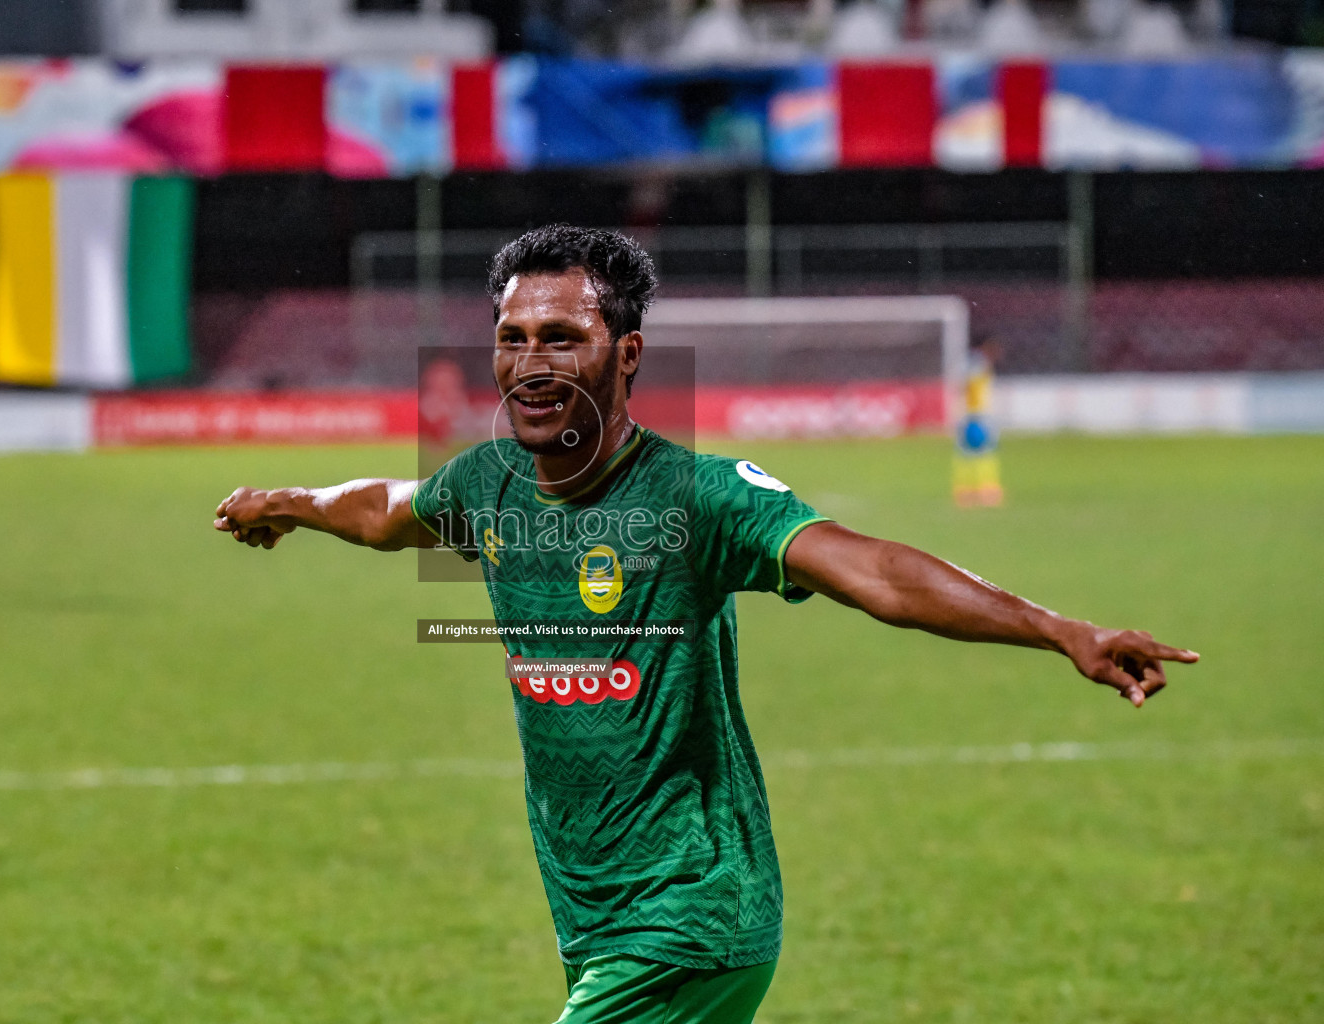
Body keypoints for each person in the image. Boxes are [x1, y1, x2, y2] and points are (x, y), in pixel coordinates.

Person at [213, 226, 1197, 1024]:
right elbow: (390, 511)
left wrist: (1056, 627)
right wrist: (292, 502)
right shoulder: (488, 482)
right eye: (513, 337)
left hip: (691, 913)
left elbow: (878, 573)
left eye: (563, 337)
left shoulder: (699, 497)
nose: (530, 362)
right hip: (594, 915)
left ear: (627, 354)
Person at [953, 334, 1004, 507]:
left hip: (970, 414)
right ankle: (987, 491)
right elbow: (971, 387)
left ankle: (964, 491)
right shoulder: (978, 364)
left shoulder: (971, 363)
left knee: (966, 453)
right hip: (977, 415)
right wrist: (974, 411)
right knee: (983, 452)